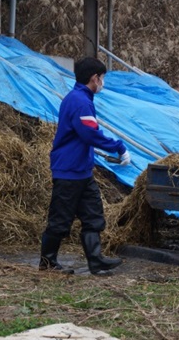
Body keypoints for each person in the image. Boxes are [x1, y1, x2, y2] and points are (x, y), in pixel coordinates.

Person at [39, 57, 131, 275]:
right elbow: (89, 133)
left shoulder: (81, 98)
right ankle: (48, 262)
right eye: (102, 78)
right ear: (94, 78)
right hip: (69, 171)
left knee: (93, 215)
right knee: (60, 219)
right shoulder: (79, 101)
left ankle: (96, 260)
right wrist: (118, 146)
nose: (103, 82)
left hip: (81, 170)